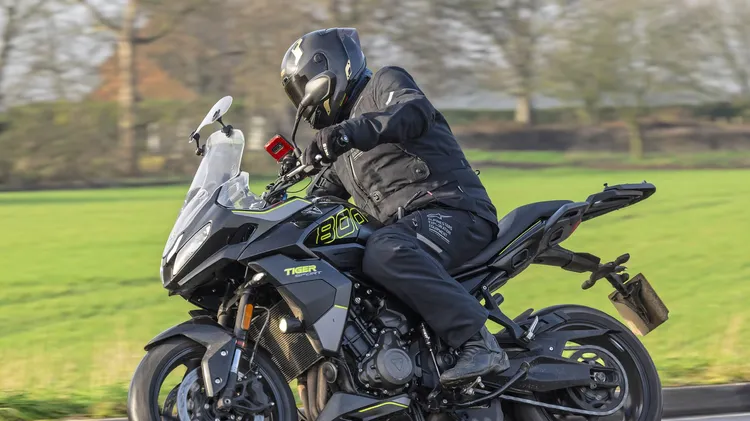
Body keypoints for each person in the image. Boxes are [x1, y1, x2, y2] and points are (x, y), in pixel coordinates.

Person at [279, 28, 510, 386]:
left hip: (454, 211)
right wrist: (274, 205)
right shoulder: (340, 150)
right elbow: (318, 200)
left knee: (385, 250)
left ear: (330, 71)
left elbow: (412, 111)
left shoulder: (384, 84)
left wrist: (346, 133)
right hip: (407, 231)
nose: (303, 98)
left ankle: (479, 341)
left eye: (304, 86)